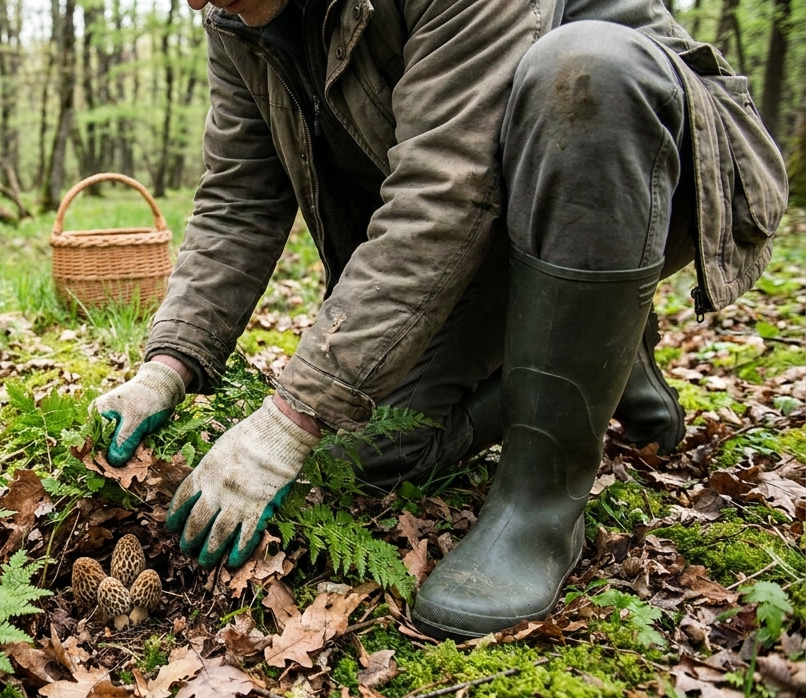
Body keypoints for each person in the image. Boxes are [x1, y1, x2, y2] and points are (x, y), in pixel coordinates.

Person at [90, 0, 787, 638]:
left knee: (584, 70)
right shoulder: (235, 17)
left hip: (634, 161)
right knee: (363, 451)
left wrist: (290, 415)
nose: (195, 2)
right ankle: (601, 348)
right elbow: (238, 199)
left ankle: (540, 508)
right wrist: (170, 363)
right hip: (483, 216)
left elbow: (442, 190)